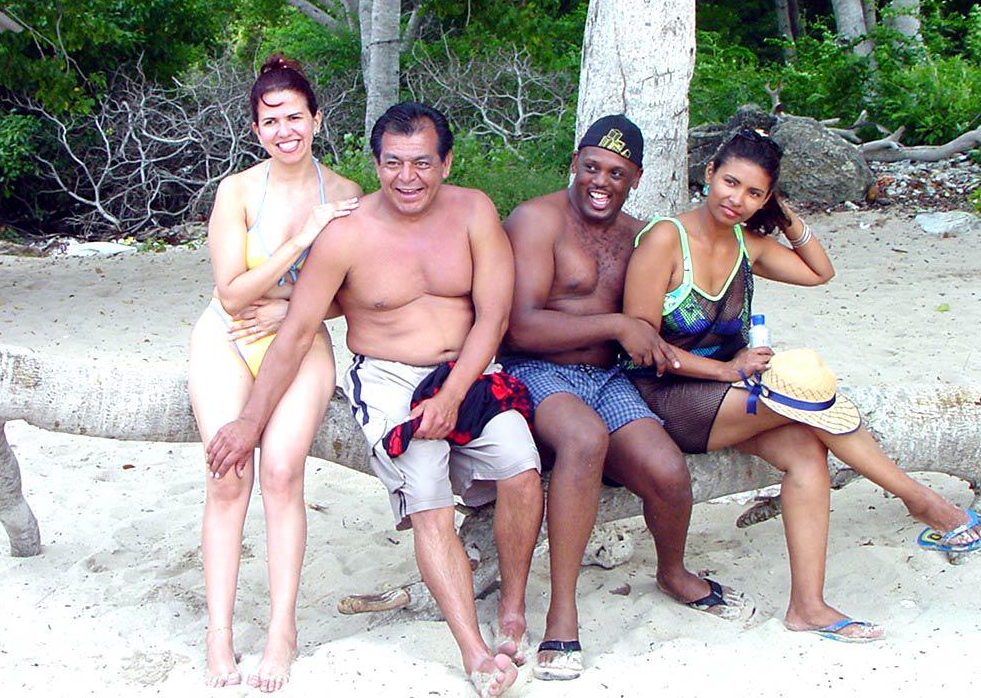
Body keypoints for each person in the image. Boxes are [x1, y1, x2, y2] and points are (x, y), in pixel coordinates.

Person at [205, 102, 544, 697]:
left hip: (467, 368)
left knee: (522, 467)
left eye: (422, 163)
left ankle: (512, 606)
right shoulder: (347, 232)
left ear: (446, 163)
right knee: (429, 499)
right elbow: (297, 332)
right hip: (388, 377)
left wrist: (454, 393)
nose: (407, 177)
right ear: (377, 163)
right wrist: (249, 421)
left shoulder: (474, 211)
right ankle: (474, 653)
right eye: (392, 163)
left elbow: (493, 317)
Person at [622, 126, 981, 643]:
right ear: (710, 174)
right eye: (730, 183)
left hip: (732, 394)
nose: (737, 200)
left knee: (807, 454)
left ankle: (807, 607)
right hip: (662, 395)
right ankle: (921, 500)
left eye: (755, 193)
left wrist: (784, 215)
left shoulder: (748, 244)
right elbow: (641, 344)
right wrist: (726, 370)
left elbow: (820, 272)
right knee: (807, 402)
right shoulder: (665, 239)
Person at [501, 115, 749, 680]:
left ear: (635, 178)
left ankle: (673, 572)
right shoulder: (537, 220)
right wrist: (616, 325)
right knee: (584, 438)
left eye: (616, 173)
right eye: (591, 167)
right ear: (574, 163)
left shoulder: (640, 235)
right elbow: (519, 328)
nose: (601, 181)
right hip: (536, 370)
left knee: (667, 471)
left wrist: (721, 364)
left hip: (608, 378)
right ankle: (562, 613)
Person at [188, 54, 361, 691]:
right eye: (270, 121)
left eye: (294, 117)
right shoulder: (236, 191)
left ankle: (281, 628)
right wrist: (302, 239)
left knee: (283, 473)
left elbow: (354, 294)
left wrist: (292, 306)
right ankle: (220, 633)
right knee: (228, 473)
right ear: (256, 129)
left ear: (316, 118)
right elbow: (232, 293)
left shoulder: (345, 194)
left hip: (301, 339)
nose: (284, 131)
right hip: (229, 335)